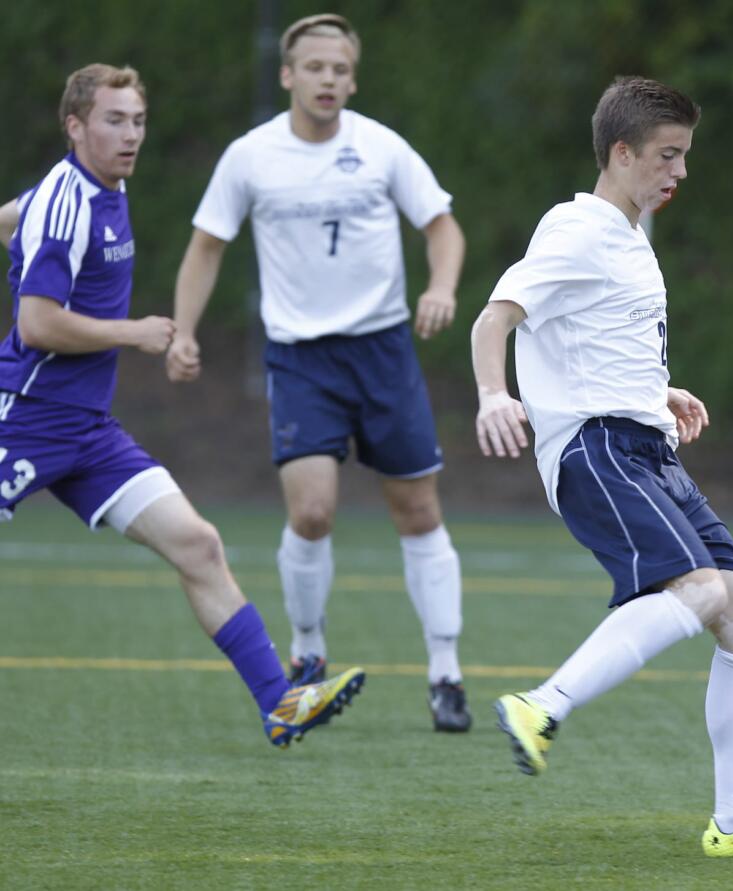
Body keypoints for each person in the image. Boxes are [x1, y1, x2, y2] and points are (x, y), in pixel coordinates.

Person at [471, 76, 733, 861]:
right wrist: (493, 395)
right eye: (667, 155)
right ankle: (541, 704)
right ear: (622, 152)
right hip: (595, 450)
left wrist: (658, 391)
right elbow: (496, 317)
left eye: (685, 155)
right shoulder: (576, 227)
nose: (680, 171)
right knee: (699, 590)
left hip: (646, 443)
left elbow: (591, 334)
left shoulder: (631, 234)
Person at [0, 63, 365, 748]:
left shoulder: (94, 185)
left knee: (198, 544)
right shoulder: (68, 203)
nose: (130, 134)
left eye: (137, 120)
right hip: (23, 415)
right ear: (75, 126)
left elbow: (18, 219)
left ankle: (279, 704)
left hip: (85, 430)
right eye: (114, 120)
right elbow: (36, 326)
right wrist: (133, 333)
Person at [167, 14, 471, 732]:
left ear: (352, 79)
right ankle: (306, 656)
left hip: (383, 349)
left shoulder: (381, 147)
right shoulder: (251, 156)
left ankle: (446, 672)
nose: (327, 79)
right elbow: (206, 246)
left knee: (419, 511)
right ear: (288, 75)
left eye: (339, 69)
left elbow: (442, 227)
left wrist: (442, 287)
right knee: (311, 511)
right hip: (301, 358)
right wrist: (182, 331)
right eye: (314, 68)